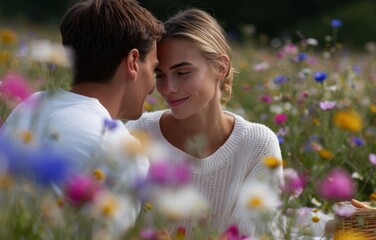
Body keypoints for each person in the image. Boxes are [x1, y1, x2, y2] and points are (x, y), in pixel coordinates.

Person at [0, 0, 163, 234]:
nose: (153, 86)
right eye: (154, 69)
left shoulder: (33, 104)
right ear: (132, 62)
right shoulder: (123, 149)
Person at [126, 8, 283, 238]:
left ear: (221, 68)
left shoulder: (257, 145)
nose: (168, 88)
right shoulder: (138, 135)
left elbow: (258, 234)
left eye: (183, 72)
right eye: (160, 75)